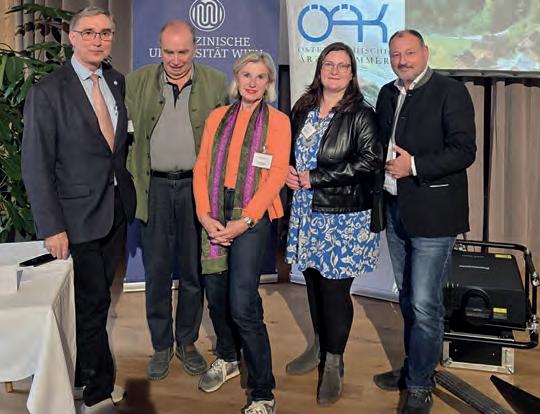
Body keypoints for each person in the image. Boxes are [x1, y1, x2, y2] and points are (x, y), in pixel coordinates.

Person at [21, 6, 136, 413]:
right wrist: (52, 226)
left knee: (96, 301)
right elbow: (35, 164)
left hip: (114, 210)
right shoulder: (48, 91)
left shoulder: (115, 81)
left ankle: (80, 376)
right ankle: (97, 394)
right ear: (72, 38)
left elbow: (114, 150)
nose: (97, 40)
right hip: (75, 218)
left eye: (105, 33)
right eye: (88, 32)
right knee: (90, 305)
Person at [371, 29, 476, 413]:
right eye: (395, 54)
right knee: (408, 298)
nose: (402, 60)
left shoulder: (451, 91)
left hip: (434, 214)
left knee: (425, 303)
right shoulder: (386, 93)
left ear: (426, 53)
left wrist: (413, 166)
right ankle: (414, 367)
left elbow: (464, 151)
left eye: (409, 53)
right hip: (394, 208)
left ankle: (420, 384)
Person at [125, 20, 228, 381]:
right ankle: (160, 345)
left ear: (194, 49)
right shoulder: (137, 82)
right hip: (153, 188)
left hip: (195, 190)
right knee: (155, 272)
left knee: (192, 271)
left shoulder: (216, 82)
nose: (175, 59)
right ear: (160, 49)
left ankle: (186, 341)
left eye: (183, 52)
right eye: (168, 51)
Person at [285, 42, 382, 405]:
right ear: (320, 69)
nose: (335, 71)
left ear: (352, 73)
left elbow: (370, 161)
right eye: (329, 64)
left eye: (343, 66)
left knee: (334, 291)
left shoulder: (361, 113)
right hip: (306, 211)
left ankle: (334, 362)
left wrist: (316, 178)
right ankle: (319, 347)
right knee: (311, 282)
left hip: (343, 217)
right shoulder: (303, 107)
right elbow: (289, 150)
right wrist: (289, 172)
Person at [193, 51, 290, 414]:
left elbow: (276, 175)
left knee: (243, 304)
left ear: (268, 83)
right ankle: (229, 357)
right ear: (237, 79)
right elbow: (202, 166)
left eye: (260, 76)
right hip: (215, 213)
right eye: (246, 75)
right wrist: (205, 216)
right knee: (216, 296)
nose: (252, 82)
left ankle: (263, 392)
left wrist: (245, 221)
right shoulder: (217, 117)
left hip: (252, 217)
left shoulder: (278, 122)